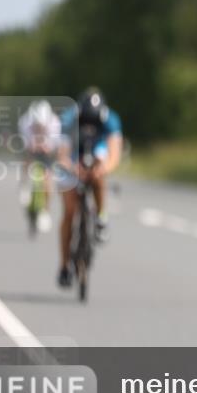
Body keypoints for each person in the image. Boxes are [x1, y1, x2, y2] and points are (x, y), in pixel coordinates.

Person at [56, 88, 123, 287]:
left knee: (100, 175)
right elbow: (62, 154)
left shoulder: (111, 120)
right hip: (73, 155)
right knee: (69, 212)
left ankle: (101, 218)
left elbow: (114, 154)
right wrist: (72, 168)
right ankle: (64, 265)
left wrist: (102, 170)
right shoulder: (69, 119)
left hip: (97, 151)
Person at [17, 99, 61, 233]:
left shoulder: (54, 123)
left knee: (48, 179)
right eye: (36, 125)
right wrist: (33, 145)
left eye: (41, 126)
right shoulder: (25, 122)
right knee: (27, 159)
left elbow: (54, 147)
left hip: (47, 151)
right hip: (32, 148)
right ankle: (23, 184)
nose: (39, 128)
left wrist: (47, 147)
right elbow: (27, 146)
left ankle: (45, 211)